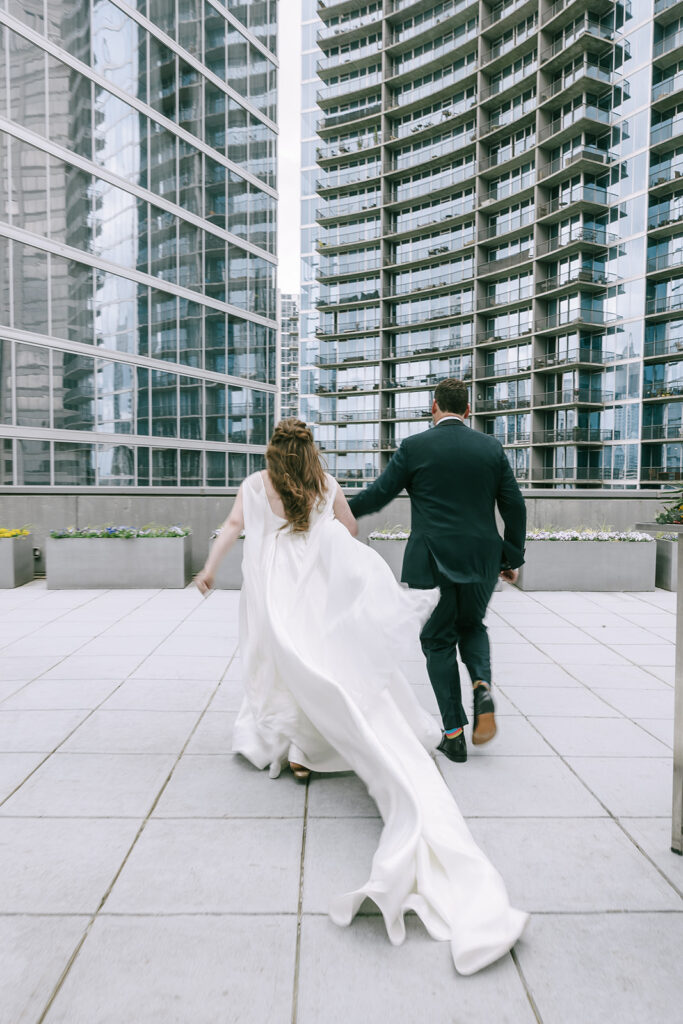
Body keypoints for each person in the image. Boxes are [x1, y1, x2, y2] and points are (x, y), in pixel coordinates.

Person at [195, 418, 527, 975]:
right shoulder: (323, 483)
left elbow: (230, 530)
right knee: (325, 670)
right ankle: (318, 747)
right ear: (310, 452)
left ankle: (299, 751)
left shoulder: (256, 485)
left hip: (278, 596)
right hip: (317, 591)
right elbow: (349, 530)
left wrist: (208, 571)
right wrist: (320, 534)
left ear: (274, 453)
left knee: (290, 670)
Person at [348, 378, 527, 765]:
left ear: (433, 407)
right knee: (472, 626)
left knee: (437, 639)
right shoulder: (491, 448)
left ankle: (454, 734)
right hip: (482, 559)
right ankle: (481, 685)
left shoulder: (415, 447)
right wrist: (510, 558)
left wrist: (340, 513)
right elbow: (515, 507)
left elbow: (379, 495)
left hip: (432, 561)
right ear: (467, 411)